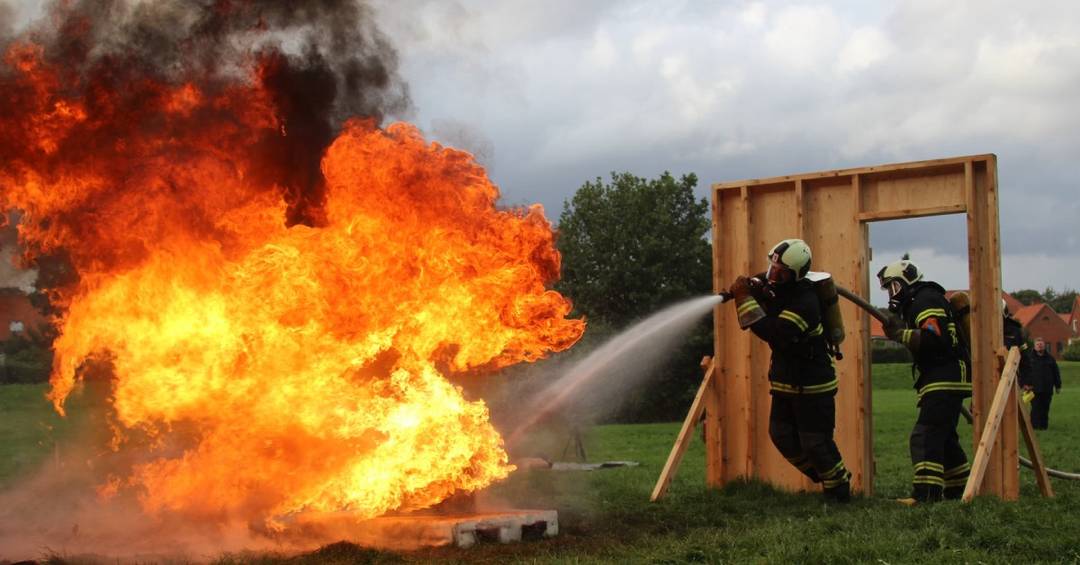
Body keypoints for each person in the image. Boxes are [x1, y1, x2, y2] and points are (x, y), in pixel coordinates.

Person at [730, 238, 851, 502]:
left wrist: (743, 299)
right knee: (781, 435)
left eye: (781, 273)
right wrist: (750, 287)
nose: (773, 275)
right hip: (786, 381)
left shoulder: (805, 302)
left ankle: (839, 490)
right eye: (772, 268)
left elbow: (774, 333)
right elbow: (765, 288)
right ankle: (826, 475)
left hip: (813, 385)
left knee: (815, 442)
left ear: (796, 275)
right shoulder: (779, 285)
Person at [877, 258, 970, 503]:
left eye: (892, 286)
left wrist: (900, 334)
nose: (890, 293)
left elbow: (935, 339)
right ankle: (959, 487)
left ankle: (926, 494)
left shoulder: (925, 300)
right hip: (945, 375)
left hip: (944, 375)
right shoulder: (920, 301)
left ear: (905, 282)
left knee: (925, 435)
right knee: (945, 437)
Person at [1021, 337, 1061, 430]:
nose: (1040, 346)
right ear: (1034, 346)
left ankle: (1043, 426)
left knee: (1045, 408)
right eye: (1038, 344)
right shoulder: (1029, 358)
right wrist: (1024, 384)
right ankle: (1034, 427)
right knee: (1035, 408)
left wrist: (1058, 385)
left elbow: (1056, 372)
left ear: (1044, 346)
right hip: (1033, 388)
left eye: (1041, 344)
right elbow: (1023, 372)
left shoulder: (1050, 358)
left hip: (1047, 388)